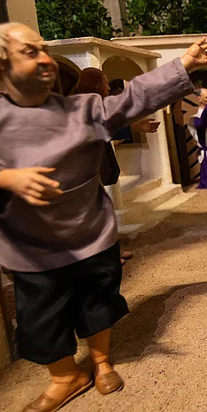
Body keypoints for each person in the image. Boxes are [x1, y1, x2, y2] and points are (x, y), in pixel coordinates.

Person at [0, 23, 207, 412]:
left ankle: (101, 362)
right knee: (41, 316)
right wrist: (1, 177)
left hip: (89, 232)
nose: (45, 59)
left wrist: (183, 64)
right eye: (30, 52)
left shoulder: (81, 109)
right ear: (1, 64)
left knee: (97, 300)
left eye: (43, 49)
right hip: (28, 244)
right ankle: (65, 376)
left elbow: (131, 99)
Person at [75, 68, 162, 265]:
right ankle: (103, 259)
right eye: (104, 82)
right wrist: (136, 126)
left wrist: (137, 127)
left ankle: (111, 254)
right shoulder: (84, 106)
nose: (107, 86)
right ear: (95, 84)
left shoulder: (95, 105)